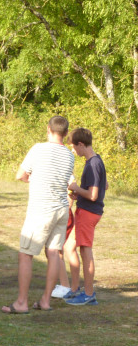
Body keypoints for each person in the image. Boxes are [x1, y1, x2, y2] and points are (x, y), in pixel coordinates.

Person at [1, 116, 75, 314]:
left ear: (48, 129)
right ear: (66, 133)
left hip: (42, 209)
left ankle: (22, 303)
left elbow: (20, 175)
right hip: (62, 209)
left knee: (26, 254)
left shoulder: (38, 149)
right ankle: (45, 301)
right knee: (53, 254)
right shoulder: (69, 155)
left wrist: (32, 179)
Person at [65, 127, 107, 305]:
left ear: (81, 144)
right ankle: (75, 289)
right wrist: (79, 194)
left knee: (85, 251)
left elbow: (93, 195)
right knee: (68, 247)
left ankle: (89, 295)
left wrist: (75, 187)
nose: (73, 151)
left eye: (74, 147)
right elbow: (104, 186)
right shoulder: (97, 161)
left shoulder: (92, 164)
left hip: (88, 213)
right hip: (88, 210)